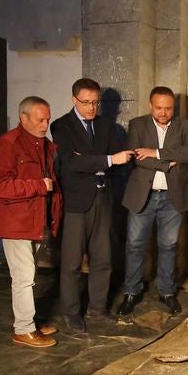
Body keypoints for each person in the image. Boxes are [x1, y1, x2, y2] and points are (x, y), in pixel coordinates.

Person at [51, 78, 132, 333]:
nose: (91, 108)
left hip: (103, 198)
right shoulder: (61, 126)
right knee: (72, 263)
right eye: (86, 102)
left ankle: (97, 309)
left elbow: (86, 161)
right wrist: (108, 159)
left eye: (95, 102)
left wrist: (90, 160)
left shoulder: (107, 126)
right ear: (74, 100)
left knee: (103, 258)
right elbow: (71, 163)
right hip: (76, 202)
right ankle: (71, 312)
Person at [0, 96, 62, 349]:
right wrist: (38, 186)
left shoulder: (44, 145)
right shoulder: (6, 145)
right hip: (16, 222)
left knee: (30, 274)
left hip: (35, 220)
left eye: (47, 119)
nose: (45, 124)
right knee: (23, 275)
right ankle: (24, 330)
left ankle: (28, 321)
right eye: (40, 119)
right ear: (23, 118)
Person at [117, 86, 188, 318]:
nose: (163, 113)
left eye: (168, 108)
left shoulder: (185, 126)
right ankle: (131, 292)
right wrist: (168, 162)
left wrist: (156, 152)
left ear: (174, 107)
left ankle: (167, 292)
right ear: (150, 105)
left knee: (169, 246)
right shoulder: (137, 124)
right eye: (159, 108)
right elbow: (137, 159)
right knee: (134, 245)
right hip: (144, 195)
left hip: (173, 198)